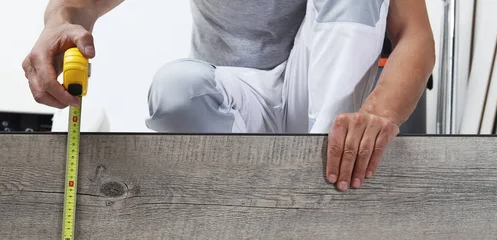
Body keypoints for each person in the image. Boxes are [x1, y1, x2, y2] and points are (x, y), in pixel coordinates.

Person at [22, 0, 435, 191]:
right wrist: (57, 23)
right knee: (174, 90)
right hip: (230, 105)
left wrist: (380, 114)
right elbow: (78, 5)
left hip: (314, 97)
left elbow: (415, 35)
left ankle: (326, 172)